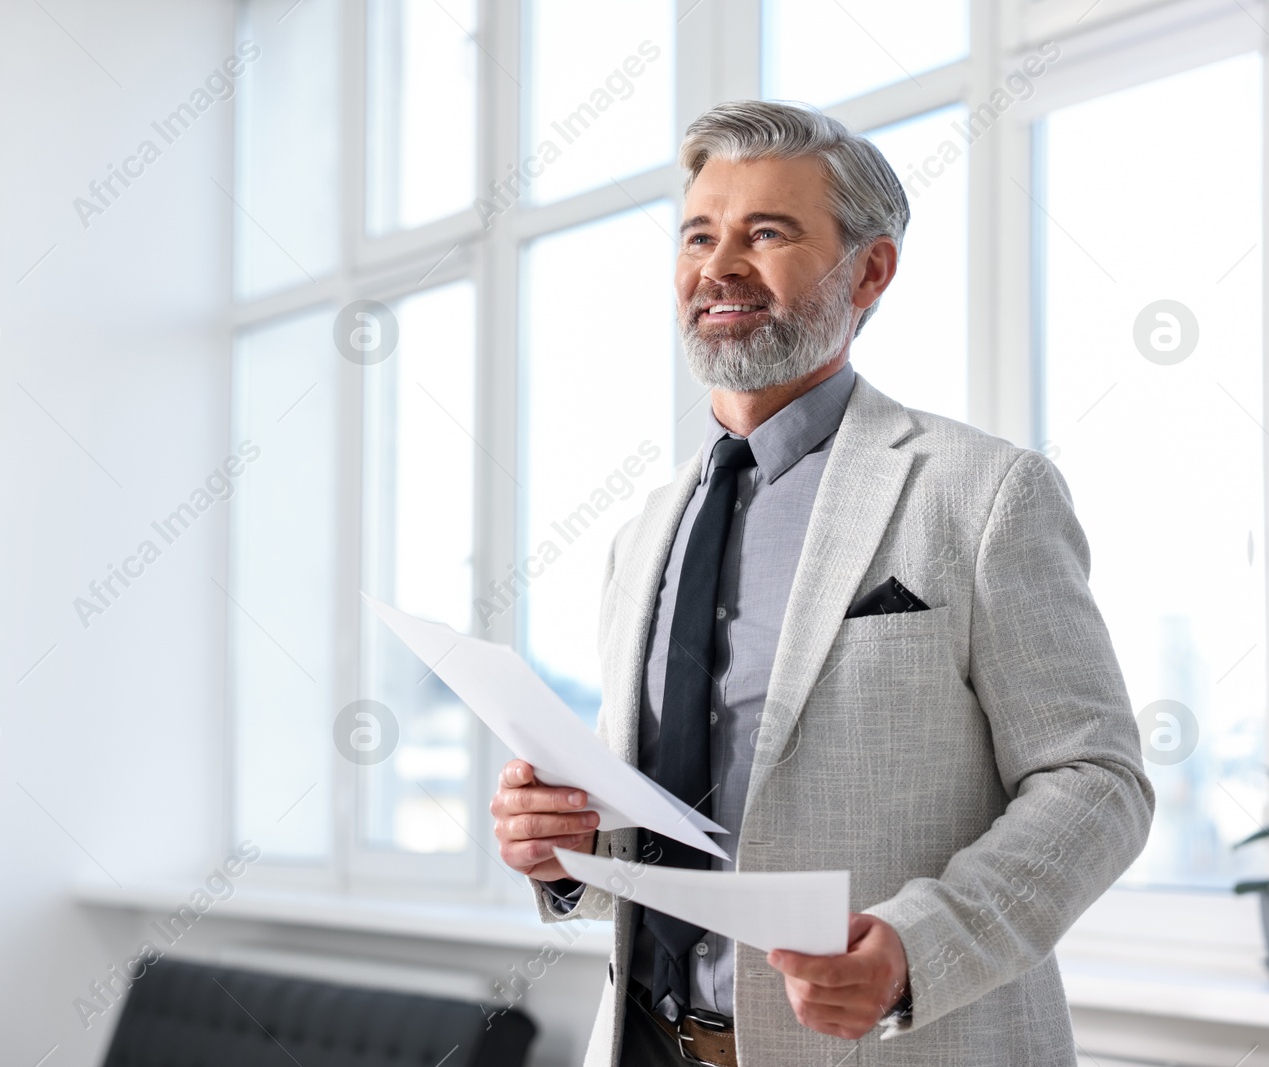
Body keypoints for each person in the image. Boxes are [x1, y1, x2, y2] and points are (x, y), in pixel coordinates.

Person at [489, 100, 1153, 1066]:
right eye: (699, 236)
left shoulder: (984, 492)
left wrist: (918, 948)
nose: (718, 267)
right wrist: (561, 852)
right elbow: (664, 835)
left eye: (767, 233)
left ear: (869, 270)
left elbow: (1098, 783)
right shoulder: (643, 536)